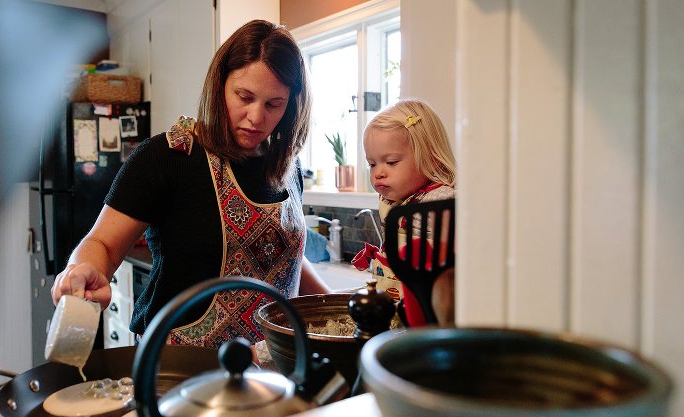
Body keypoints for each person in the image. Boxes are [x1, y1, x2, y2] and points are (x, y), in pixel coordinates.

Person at [52, 20, 330, 358]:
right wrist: (84, 270)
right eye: (244, 96)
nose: (256, 117)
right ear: (219, 84)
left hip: (272, 367)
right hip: (178, 368)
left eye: (274, 103)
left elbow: (284, 260)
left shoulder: (288, 167)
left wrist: (338, 306)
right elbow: (102, 244)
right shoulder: (168, 157)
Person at [352, 98, 456, 326]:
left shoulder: (443, 200)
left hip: (429, 313)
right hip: (397, 305)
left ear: (431, 157)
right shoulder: (395, 201)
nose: (378, 172)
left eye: (391, 162)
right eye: (372, 164)